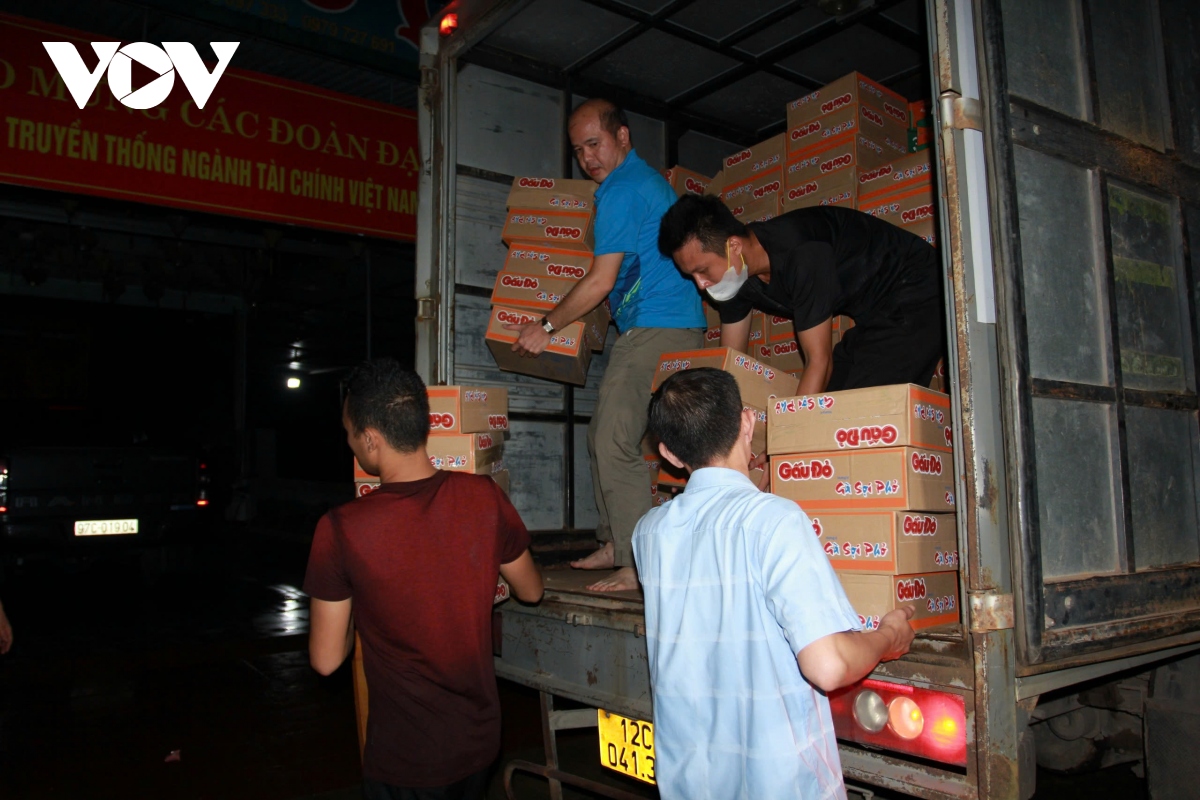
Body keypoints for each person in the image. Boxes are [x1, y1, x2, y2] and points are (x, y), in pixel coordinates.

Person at [633, 367, 916, 799]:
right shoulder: (775, 520)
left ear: (670, 454)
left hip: (691, 784)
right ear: (748, 422)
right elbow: (828, 665)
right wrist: (888, 637)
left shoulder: (649, 532)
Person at [304, 358, 543, 800]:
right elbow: (531, 590)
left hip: (406, 761)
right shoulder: (483, 496)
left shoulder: (341, 528)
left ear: (371, 439)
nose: (350, 443)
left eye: (349, 433)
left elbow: (325, 658)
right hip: (480, 743)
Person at [506, 99, 704, 592]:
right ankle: (618, 541)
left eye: (594, 144)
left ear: (623, 137)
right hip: (659, 324)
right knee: (606, 433)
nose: (587, 158)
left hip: (659, 326)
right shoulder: (634, 186)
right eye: (578, 151)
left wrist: (545, 327)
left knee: (613, 437)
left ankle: (638, 564)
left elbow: (600, 280)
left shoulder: (623, 190)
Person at [659, 194, 944, 395]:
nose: (700, 285)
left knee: (854, 409)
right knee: (832, 399)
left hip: (920, 290)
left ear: (733, 246)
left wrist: (784, 446)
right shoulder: (736, 275)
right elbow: (733, 366)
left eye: (702, 270)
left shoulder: (802, 254)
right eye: (692, 276)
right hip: (876, 315)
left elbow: (819, 360)